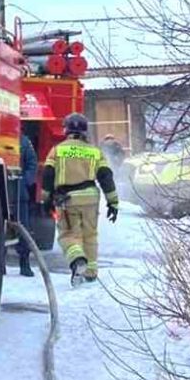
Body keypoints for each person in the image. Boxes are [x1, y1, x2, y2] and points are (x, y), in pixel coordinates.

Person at [42, 113, 120, 285]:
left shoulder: (58, 150)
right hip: (91, 198)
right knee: (90, 235)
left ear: (66, 130)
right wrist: (113, 202)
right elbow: (106, 177)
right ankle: (91, 272)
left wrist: (46, 199)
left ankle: (77, 260)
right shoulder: (95, 151)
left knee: (68, 235)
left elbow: (48, 175)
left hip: (67, 200)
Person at [15, 132, 39, 276]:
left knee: (23, 229)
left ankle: (24, 263)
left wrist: (24, 182)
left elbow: (32, 164)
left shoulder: (24, 141)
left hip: (18, 193)